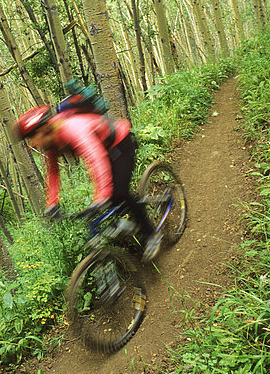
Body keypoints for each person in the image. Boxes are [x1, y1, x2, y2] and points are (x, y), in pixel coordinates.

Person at [13, 105, 160, 259]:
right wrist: (52, 203)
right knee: (112, 198)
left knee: (119, 192)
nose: (32, 145)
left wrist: (102, 195)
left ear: (43, 130)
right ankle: (132, 224)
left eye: (32, 138)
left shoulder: (71, 129)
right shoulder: (52, 143)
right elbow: (53, 172)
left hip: (120, 142)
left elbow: (95, 157)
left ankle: (151, 234)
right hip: (104, 151)